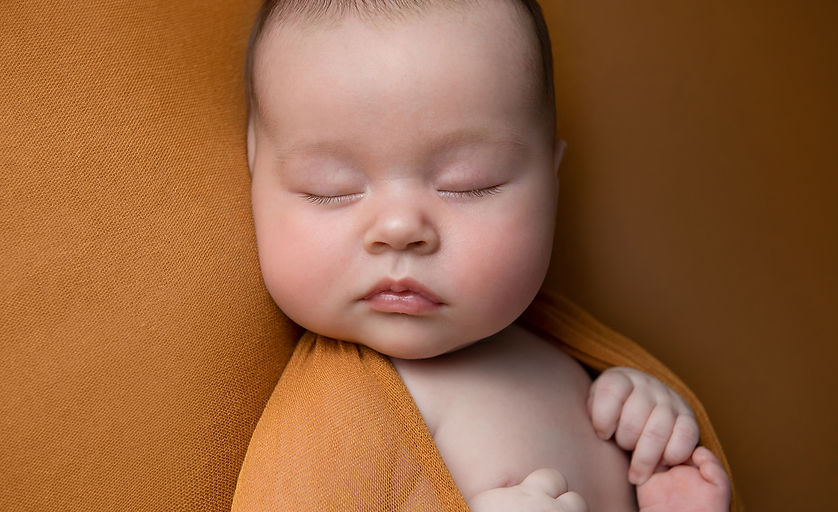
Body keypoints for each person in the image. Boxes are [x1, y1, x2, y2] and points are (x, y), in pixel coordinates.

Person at [244, 0, 731, 509]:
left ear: (551, 181)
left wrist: (657, 465)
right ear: (256, 175)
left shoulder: (581, 376)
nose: (399, 228)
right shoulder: (337, 422)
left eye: (468, 184)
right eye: (331, 189)